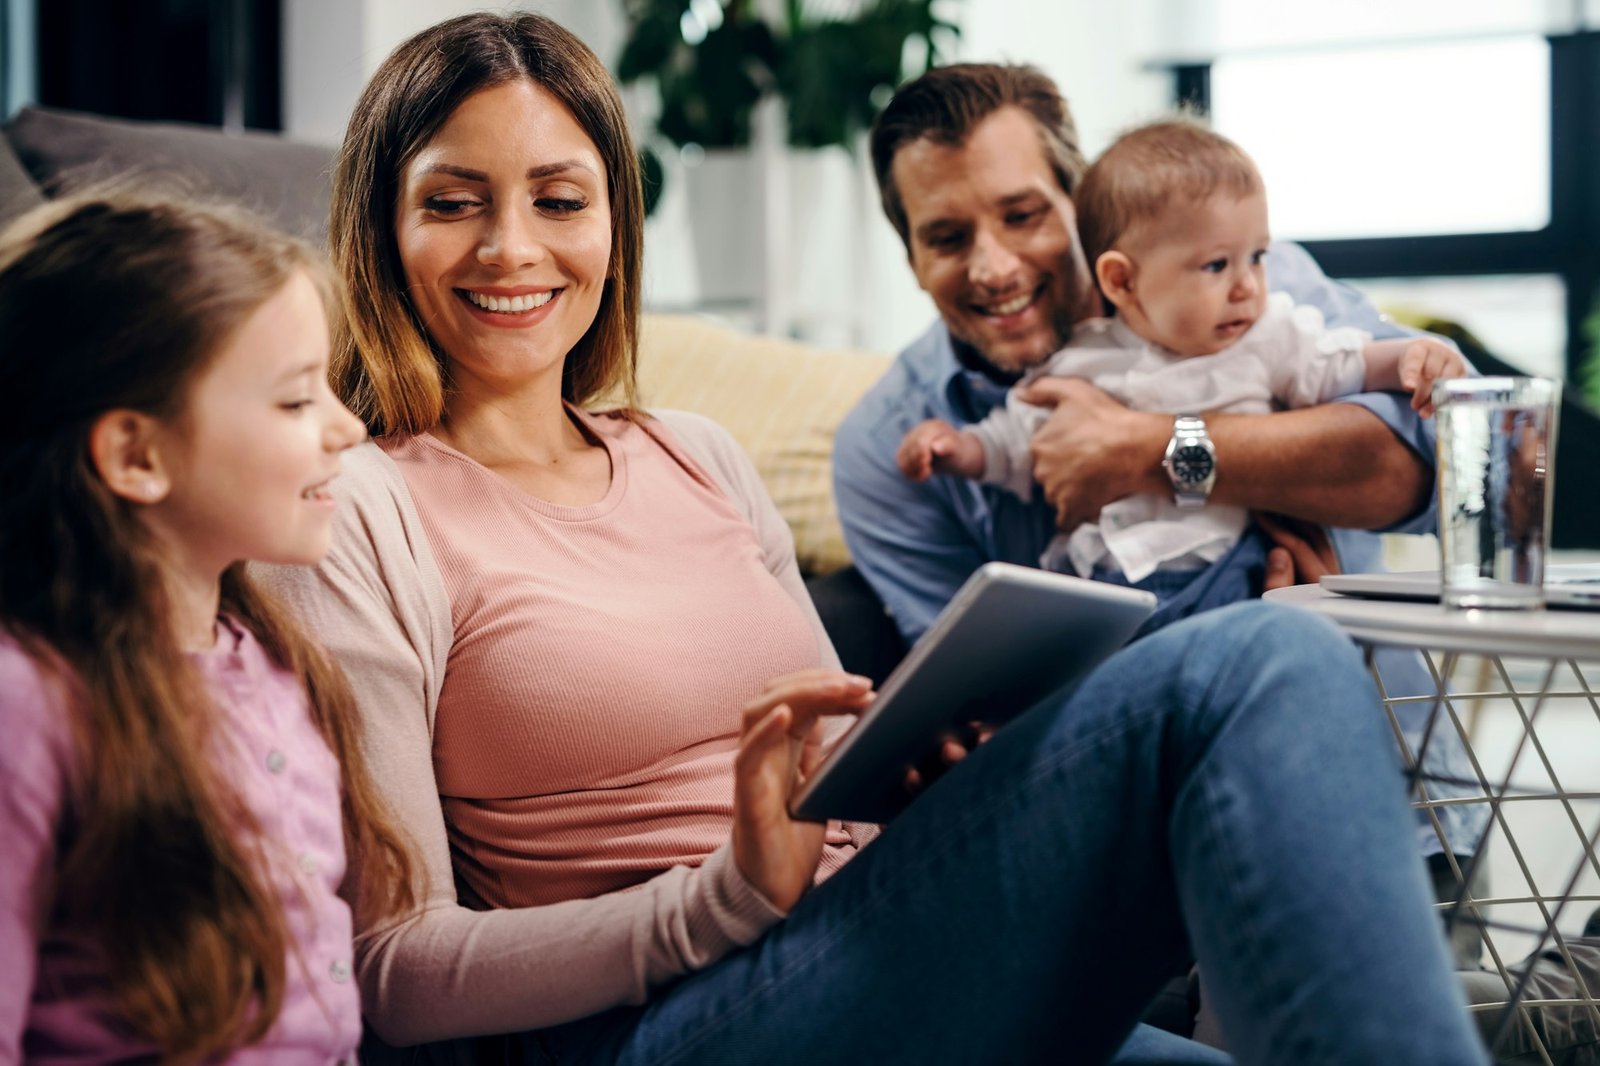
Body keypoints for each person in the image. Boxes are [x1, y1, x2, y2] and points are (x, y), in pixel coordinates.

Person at [256, 13, 1489, 1065]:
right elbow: (389, 965)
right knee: (1261, 660)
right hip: (676, 1012)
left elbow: (837, 752)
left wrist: (917, 770)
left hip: (884, 939)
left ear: (613, 226)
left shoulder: (697, 453)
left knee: (1272, 668)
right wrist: (722, 900)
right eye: (453, 204)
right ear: (383, 230)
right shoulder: (356, 505)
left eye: (559, 200)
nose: (513, 248)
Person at [835, 64, 1488, 960]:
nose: (993, 266)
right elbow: (983, 694)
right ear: (910, 255)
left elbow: (1431, 466)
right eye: (946, 236)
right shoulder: (888, 446)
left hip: (1380, 804)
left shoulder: (1239, 281)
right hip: (1128, 856)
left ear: (1080, 202)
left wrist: (1152, 450)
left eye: (1023, 214)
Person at [0, 192, 414, 1062]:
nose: (350, 428)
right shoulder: (27, 707)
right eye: (299, 401)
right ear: (136, 456)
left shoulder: (274, 664)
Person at [896, 118, 1470, 596]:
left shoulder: (1271, 328)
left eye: (1021, 215)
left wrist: (1414, 356)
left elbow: (1363, 381)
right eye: (1218, 266)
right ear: (1121, 279)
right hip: (1107, 578)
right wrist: (959, 449)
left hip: (1227, 571)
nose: (1248, 283)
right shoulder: (1083, 360)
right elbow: (1018, 442)